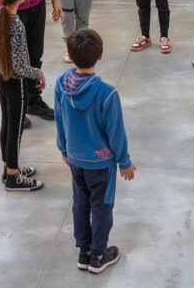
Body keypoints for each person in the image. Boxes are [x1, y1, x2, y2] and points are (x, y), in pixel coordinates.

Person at [55, 28, 136, 274]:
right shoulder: (107, 93)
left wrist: (63, 148)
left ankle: (84, 251)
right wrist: (124, 162)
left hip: (75, 158)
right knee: (102, 206)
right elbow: (116, 132)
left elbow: (59, 119)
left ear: (70, 55)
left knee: (81, 203)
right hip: (101, 163)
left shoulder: (61, 84)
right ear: (100, 56)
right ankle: (99, 255)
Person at [0, 0, 47, 191]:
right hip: (15, 84)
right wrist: (37, 73)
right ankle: (13, 178)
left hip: (0, 76)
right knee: (15, 131)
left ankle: (9, 169)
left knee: (7, 123)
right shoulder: (17, 25)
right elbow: (21, 66)